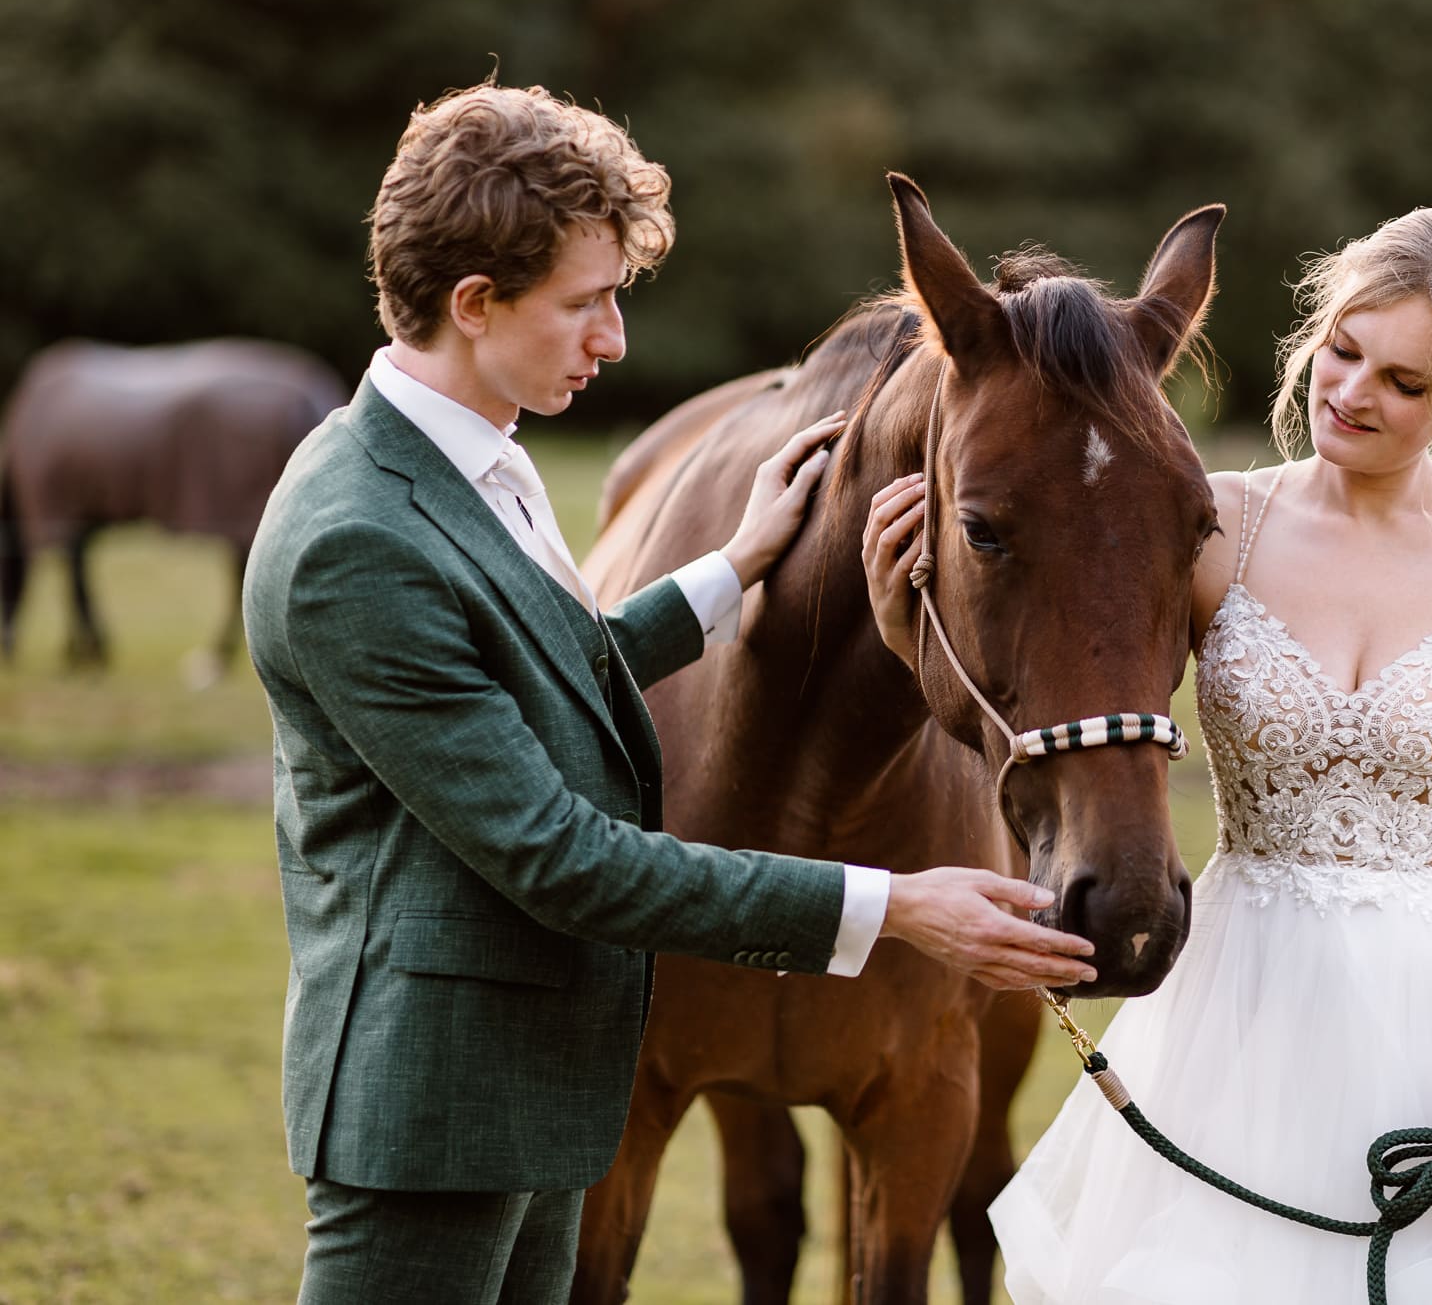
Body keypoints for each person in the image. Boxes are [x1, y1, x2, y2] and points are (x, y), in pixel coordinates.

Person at [241, 80, 1097, 1305]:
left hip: (536, 1081)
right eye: (585, 306)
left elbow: (534, 675)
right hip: (436, 1105)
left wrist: (733, 571)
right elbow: (560, 858)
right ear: (475, 304)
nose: (614, 341)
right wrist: (895, 906)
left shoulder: (473, 456)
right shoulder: (355, 539)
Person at [864, 207, 1432, 1301]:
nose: (1352, 394)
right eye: (1341, 354)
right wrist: (912, 638)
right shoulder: (1208, 530)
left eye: (1403, 383)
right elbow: (1076, 701)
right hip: (1244, 1015)